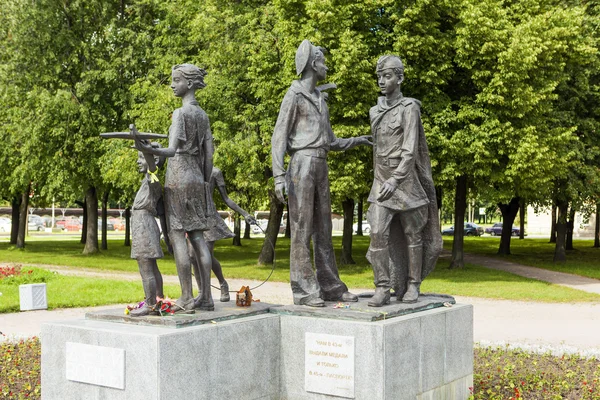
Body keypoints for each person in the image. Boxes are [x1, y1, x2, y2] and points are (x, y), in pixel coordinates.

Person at [271, 40, 372, 307]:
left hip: (320, 164)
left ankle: (331, 287)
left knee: (324, 229)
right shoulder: (294, 95)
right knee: (302, 229)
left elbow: (331, 141)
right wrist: (278, 175)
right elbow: (279, 137)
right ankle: (305, 291)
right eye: (323, 61)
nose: (326, 66)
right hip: (301, 164)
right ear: (313, 64)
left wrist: (358, 140)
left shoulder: (320, 99)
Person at [135, 63, 216, 312]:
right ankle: (207, 297)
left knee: (178, 236)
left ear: (189, 83)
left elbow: (170, 151)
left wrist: (147, 149)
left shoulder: (180, 114)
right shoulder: (202, 116)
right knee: (199, 237)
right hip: (196, 177)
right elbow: (209, 155)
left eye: (176, 80)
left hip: (178, 176)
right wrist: (202, 181)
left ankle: (186, 298)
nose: (172, 84)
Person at [366, 55, 442, 307]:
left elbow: (410, 150)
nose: (381, 81)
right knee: (377, 232)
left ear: (399, 78)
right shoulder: (375, 111)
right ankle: (382, 287)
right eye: (379, 76)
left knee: (413, 235)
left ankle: (413, 284)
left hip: (406, 183)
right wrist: (383, 181)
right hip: (381, 182)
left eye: (387, 76)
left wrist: (396, 180)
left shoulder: (410, 108)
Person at [189, 167, 256, 302]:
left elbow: (226, 198)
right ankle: (202, 292)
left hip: (209, 217)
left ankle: (222, 283)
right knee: (192, 256)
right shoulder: (189, 170)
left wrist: (244, 214)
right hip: (193, 216)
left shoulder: (215, 172)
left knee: (206, 254)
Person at [129, 143, 166, 317]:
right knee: (152, 266)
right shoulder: (147, 181)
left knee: (146, 268)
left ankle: (151, 305)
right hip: (143, 224)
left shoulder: (153, 179)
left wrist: (150, 152)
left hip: (144, 226)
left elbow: (153, 168)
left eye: (142, 158)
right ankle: (157, 300)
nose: (138, 161)